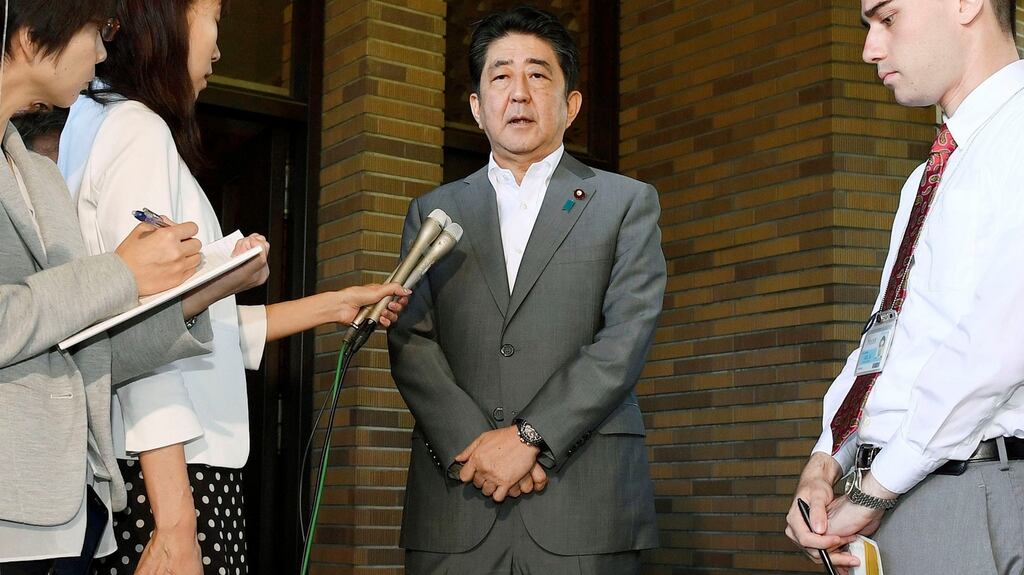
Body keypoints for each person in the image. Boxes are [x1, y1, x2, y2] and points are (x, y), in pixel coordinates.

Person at [57, 1, 410, 573]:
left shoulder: (96, 125)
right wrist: (175, 526)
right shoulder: (138, 130)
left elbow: (199, 332)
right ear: (166, 20)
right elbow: (148, 330)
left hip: (138, 470)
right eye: (214, 17)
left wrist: (334, 305)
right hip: (168, 477)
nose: (219, 47)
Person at [387, 6, 665, 574]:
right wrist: (478, 448)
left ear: (572, 104)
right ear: (476, 107)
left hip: (583, 505)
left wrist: (530, 438)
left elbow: (625, 338)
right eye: (500, 75)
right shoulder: (434, 211)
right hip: (457, 501)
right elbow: (410, 339)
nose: (519, 93)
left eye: (538, 75)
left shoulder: (625, 203)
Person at [0, 1, 269, 572]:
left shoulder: (41, 177)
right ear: (27, 35)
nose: (102, 51)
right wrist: (175, 523)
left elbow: (84, 349)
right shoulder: (129, 130)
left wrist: (198, 291)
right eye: (94, 31)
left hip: (65, 514)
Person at [785, 1, 1024, 574]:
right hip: (899, 490)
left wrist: (873, 490)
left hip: (967, 489)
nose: (870, 48)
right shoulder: (930, 174)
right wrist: (827, 460)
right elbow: (889, 340)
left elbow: (994, 349)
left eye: (887, 18)